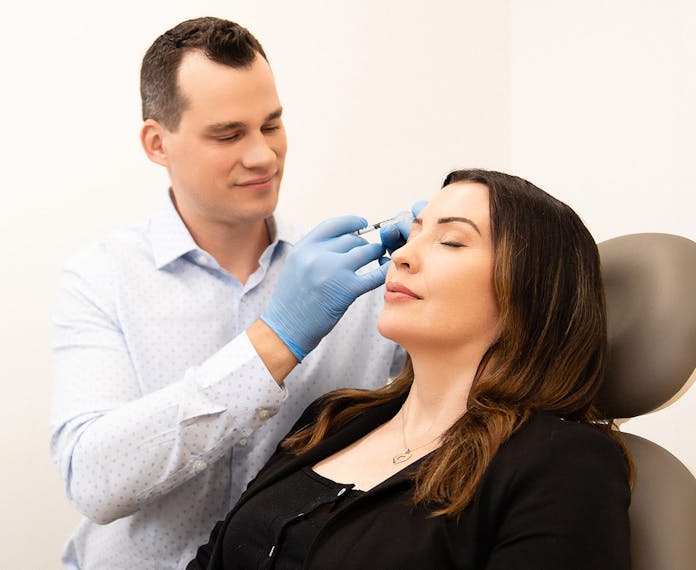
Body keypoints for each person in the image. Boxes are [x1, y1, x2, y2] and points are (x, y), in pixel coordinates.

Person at [50, 17, 408, 569]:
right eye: (228, 134)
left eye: (272, 125)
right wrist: (275, 341)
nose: (263, 155)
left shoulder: (357, 287)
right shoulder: (102, 278)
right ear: (156, 142)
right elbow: (94, 480)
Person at [188, 169, 633, 570]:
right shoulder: (333, 419)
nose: (402, 256)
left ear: (531, 291)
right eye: (412, 235)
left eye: (451, 241)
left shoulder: (565, 462)